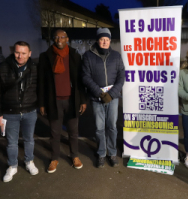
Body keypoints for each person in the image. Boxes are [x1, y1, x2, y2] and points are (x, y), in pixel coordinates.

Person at [38, 29, 87, 173]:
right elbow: (41, 81)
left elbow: (80, 80)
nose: (59, 40)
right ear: (53, 39)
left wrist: (83, 100)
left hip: (72, 100)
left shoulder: (74, 55)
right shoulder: (45, 56)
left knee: (73, 131)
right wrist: (41, 103)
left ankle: (75, 156)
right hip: (53, 101)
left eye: (62, 37)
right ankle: (54, 158)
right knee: (55, 133)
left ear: (67, 39)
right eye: (56, 37)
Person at [0, 41, 39, 182]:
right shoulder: (1, 68)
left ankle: (29, 161)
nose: (20, 56)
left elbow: (40, 88)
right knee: (11, 142)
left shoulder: (35, 68)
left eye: (24, 53)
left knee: (29, 139)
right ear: (13, 52)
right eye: (17, 52)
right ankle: (12, 166)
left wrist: (40, 105)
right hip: (10, 113)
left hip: (30, 111)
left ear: (30, 54)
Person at [82, 28, 125, 168]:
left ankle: (112, 153)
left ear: (110, 41)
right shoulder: (88, 56)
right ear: (97, 40)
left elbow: (121, 76)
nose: (105, 42)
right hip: (96, 98)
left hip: (112, 98)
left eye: (107, 39)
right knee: (99, 128)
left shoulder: (116, 56)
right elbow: (85, 77)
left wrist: (111, 94)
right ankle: (101, 154)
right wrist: (100, 93)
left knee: (112, 126)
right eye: (102, 39)